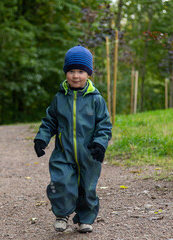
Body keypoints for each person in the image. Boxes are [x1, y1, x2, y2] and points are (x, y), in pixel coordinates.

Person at [34, 45, 112, 233]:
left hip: (89, 153)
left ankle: (85, 218)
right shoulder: (60, 98)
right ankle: (62, 214)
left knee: (88, 187)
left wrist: (100, 144)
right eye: (71, 71)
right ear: (65, 73)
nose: (76, 76)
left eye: (81, 71)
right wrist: (42, 138)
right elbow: (50, 120)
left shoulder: (96, 99)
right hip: (64, 152)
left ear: (89, 74)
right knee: (61, 182)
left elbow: (104, 125)